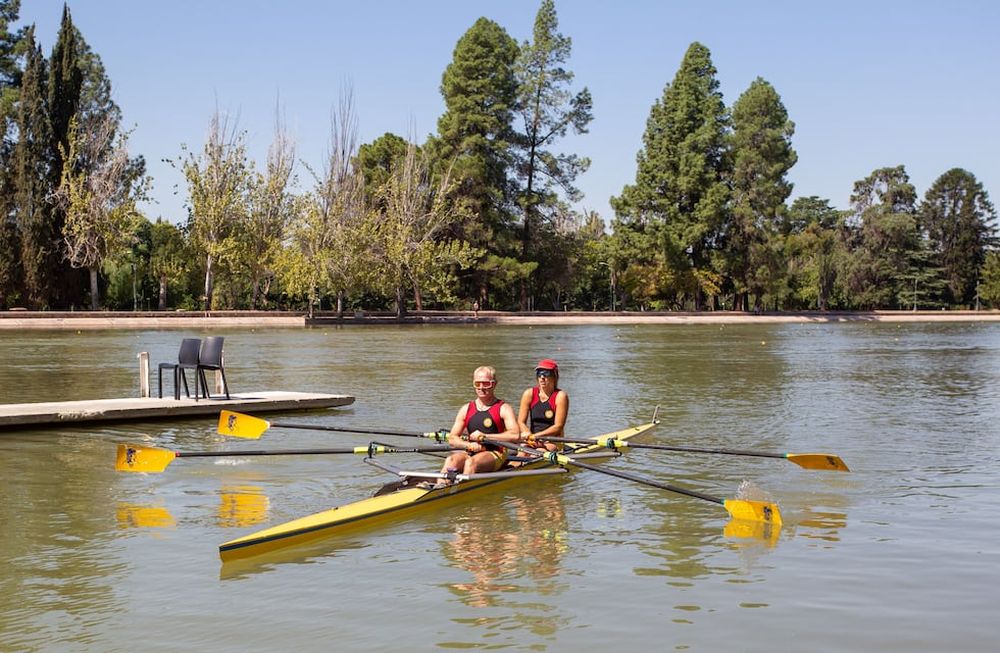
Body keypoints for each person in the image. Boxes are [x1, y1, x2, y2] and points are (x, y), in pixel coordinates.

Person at [436, 365, 520, 484]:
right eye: (477, 384)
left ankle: (461, 489)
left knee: (471, 463)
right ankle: (440, 487)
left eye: (486, 384)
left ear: (494, 384)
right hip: (471, 450)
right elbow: (452, 438)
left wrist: (485, 436)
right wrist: (467, 445)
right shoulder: (466, 409)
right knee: (451, 460)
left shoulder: (504, 408)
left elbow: (515, 435)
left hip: (496, 452)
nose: (481, 387)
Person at [517, 359, 569, 452]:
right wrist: (528, 434)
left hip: (553, 441)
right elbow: (521, 422)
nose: (542, 377)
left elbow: (558, 427)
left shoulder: (560, 396)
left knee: (538, 453)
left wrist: (537, 436)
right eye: (539, 373)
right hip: (533, 439)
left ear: (555, 376)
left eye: (546, 373)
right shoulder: (529, 394)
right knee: (522, 454)